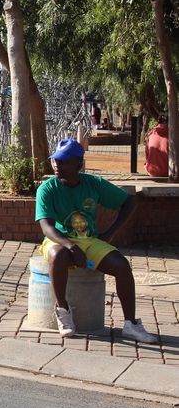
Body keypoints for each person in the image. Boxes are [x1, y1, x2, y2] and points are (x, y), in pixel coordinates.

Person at [35, 138, 156, 342]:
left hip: (90, 240)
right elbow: (46, 227)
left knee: (122, 266)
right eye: (56, 160)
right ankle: (63, 311)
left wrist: (110, 233)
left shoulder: (93, 183)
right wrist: (71, 246)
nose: (57, 165)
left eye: (63, 161)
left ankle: (130, 324)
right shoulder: (47, 188)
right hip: (59, 240)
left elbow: (129, 202)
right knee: (59, 256)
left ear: (78, 164)